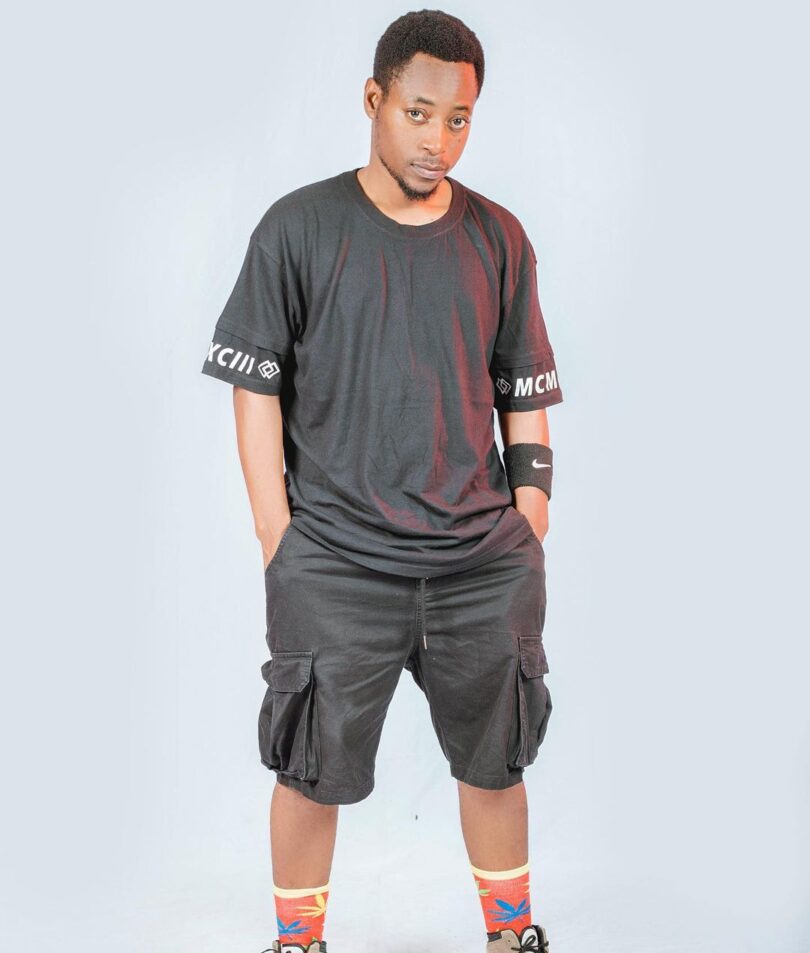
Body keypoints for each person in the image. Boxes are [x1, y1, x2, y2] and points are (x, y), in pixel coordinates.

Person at [200, 10, 564, 953]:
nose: (438, 139)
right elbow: (254, 387)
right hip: (334, 560)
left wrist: (529, 519)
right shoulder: (298, 228)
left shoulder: (499, 237)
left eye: (459, 119)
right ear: (374, 100)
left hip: (480, 562)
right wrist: (277, 536)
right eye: (418, 112)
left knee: (497, 761)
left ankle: (510, 935)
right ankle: (298, 942)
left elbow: (524, 388)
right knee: (307, 764)